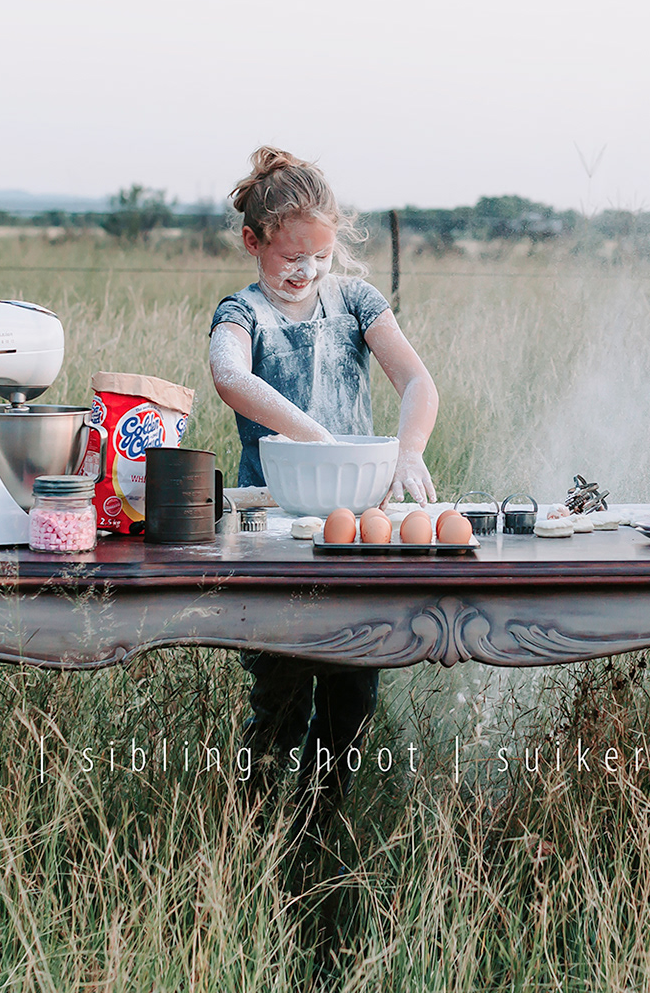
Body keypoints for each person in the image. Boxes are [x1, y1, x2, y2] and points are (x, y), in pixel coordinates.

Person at [209, 146, 440, 824]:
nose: (306, 270)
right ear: (253, 242)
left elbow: (417, 381)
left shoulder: (356, 302)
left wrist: (408, 450)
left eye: (321, 255)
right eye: (291, 256)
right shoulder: (243, 312)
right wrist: (316, 436)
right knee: (280, 699)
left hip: (354, 532)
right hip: (271, 530)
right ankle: (251, 835)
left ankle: (314, 834)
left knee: (353, 702)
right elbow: (230, 375)